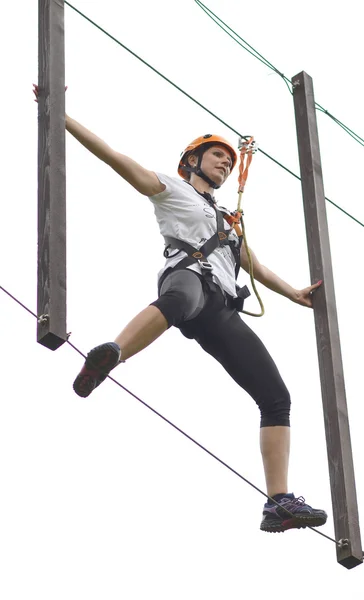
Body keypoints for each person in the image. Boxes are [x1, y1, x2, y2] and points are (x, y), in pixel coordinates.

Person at [34, 84, 326, 533]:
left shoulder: (228, 221)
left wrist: (293, 293)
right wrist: (61, 116)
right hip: (187, 278)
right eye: (217, 156)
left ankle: (278, 501)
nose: (225, 164)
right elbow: (115, 158)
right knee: (178, 301)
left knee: (276, 397)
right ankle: (113, 353)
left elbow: (256, 267)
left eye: (229, 162)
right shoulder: (170, 188)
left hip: (221, 308)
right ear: (192, 160)